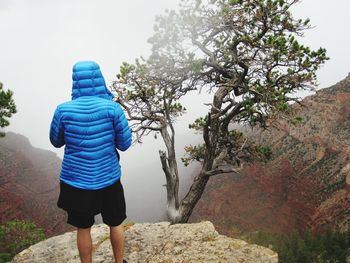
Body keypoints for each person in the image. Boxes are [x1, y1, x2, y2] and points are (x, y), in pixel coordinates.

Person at [49, 61, 131, 263]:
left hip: (75, 181)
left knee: (83, 228)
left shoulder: (63, 110)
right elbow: (125, 144)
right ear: (99, 78)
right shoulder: (112, 109)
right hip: (108, 178)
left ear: (75, 81)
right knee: (116, 223)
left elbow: (56, 141)